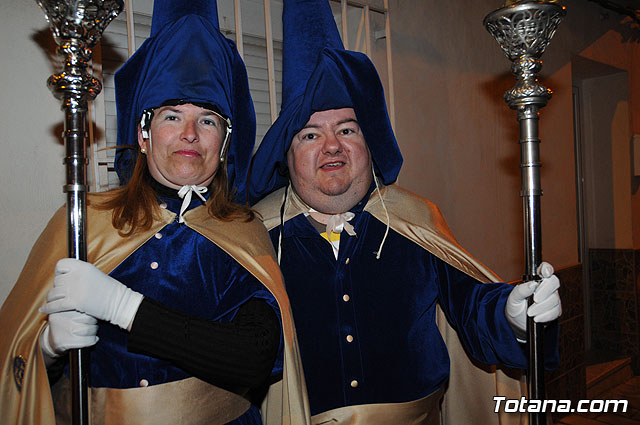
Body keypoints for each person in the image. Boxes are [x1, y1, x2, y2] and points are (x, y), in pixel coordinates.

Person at [249, 1, 561, 424]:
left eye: (347, 129)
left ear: (368, 144)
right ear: (287, 157)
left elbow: (471, 304)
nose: (333, 146)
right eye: (309, 134)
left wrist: (512, 317)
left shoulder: (414, 219)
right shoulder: (255, 240)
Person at [0, 1, 310, 424]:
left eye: (207, 120)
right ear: (143, 136)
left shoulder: (244, 231)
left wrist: (122, 307)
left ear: (222, 147)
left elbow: (255, 357)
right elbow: (15, 356)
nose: (188, 134)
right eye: (172, 115)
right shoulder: (83, 222)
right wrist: (47, 351)